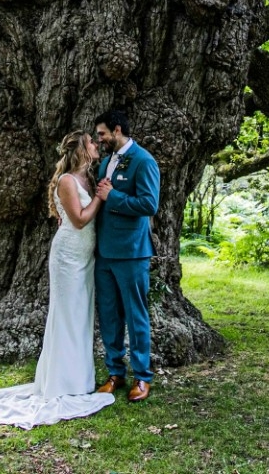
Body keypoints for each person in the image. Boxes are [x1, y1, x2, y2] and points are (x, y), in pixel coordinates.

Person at [0, 130, 115, 429]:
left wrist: (98, 193)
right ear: (81, 149)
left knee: (81, 315)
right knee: (66, 316)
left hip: (85, 257)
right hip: (67, 257)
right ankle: (63, 383)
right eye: (92, 142)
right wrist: (101, 198)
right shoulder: (66, 181)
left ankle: (79, 378)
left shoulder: (86, 179)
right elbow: (78, 220)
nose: (97, 144)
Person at [94, 110, 160, 403]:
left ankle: (143, 377)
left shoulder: (144, 161)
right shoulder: (106, 163)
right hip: (103, 252)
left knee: (135, 316)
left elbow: (149, 204)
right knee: (109, 315)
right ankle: (115, 372)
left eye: (102, 134)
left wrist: (115, 197)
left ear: (117, 129)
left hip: (132, 252)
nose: (99, 139)